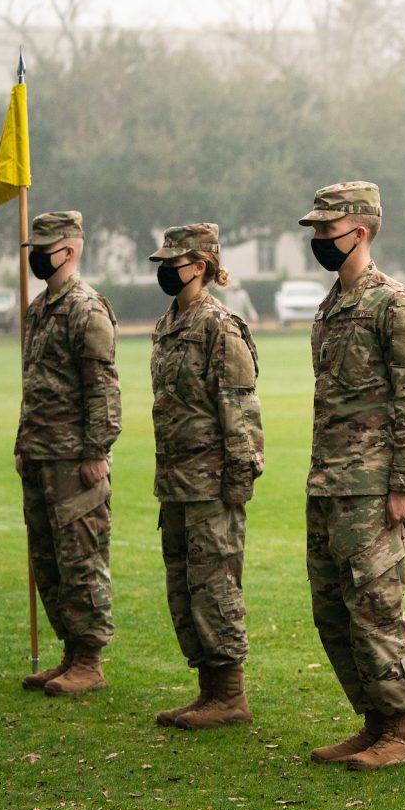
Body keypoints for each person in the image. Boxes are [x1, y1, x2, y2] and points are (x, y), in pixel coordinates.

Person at [300, 182, 405, 770]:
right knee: (332, 608)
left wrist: (404, 482)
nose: (318, 241)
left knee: (376, 606)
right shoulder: (333, 305)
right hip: (329, 482)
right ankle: (372, 719)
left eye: (327, 231)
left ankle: (400, 729)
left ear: (358, 232)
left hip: (373, 486)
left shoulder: (393, 304)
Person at [147, 223, 264, 729]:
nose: (165, 271)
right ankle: (207, 690)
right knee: (184, 585)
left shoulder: (220, 325)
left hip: (212, 482)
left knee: (215, 586)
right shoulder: (170, 322)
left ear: (199, 265)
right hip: (175, 480)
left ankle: (230, 695)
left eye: (173, 263)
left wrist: (239, 480)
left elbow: (239, 409)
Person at [14, 211, 121, 696]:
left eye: (45, 247)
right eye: (33, 247)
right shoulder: (38, 310)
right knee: (48, 558)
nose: (37, 255)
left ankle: (90, 660)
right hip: (39, 454)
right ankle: (69, 653)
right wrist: (22, 442)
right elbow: (34, 383)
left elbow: (102, 387)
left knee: (81, 556)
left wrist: (97, 450)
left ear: (70, 249)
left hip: (75, 457)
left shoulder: (86, 308)